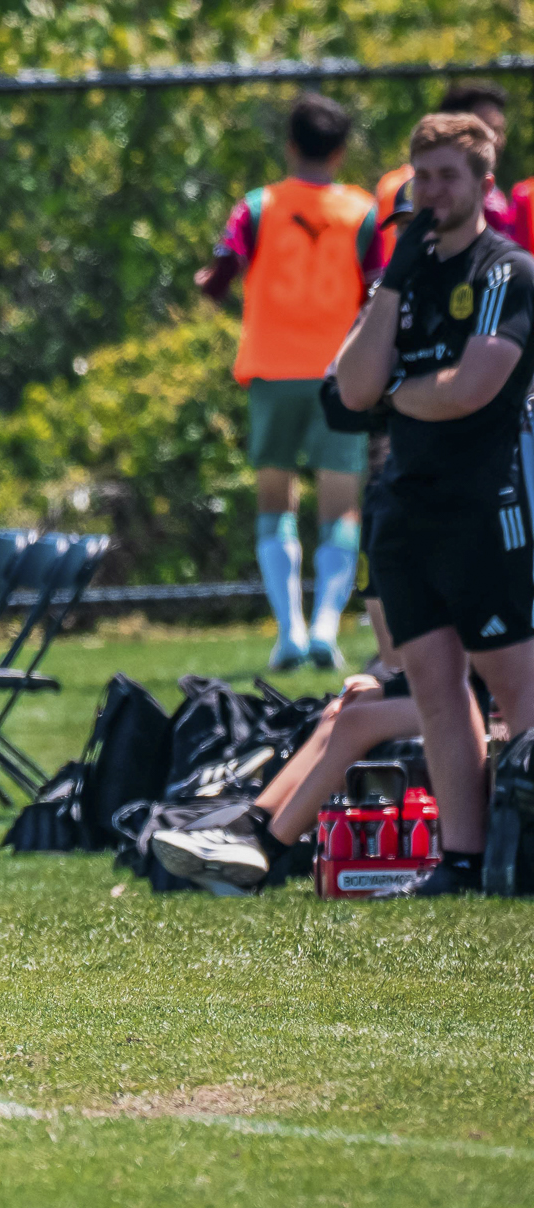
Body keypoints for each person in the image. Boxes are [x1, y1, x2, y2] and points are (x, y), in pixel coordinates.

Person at [335, 112, 534, 896]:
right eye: (422, 176)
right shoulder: (405, 275)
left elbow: (471, 390)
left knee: (519, 688)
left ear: (485, 185)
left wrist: (395, 391)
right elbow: (350, 391)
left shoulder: (505, 273)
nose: (432, 191)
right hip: (405, 510)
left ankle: (524, 851)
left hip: (485, 507)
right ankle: (463, 857)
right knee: (435, 687)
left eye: (449, 175)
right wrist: (392, 280)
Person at [197, 93, 380, 672]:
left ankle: (290, 630)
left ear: (290, 145)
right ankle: (327, 625)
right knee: (341, 504)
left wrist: (212, 282)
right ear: (343, 149)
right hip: (339, 373)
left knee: (275, 499)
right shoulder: (363, 210)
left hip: (273, 370)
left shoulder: (257, 206)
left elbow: (218, 276)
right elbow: (380, 286)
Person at [150, 672, 424, 894]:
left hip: (458, 703)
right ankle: (249, 825)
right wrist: (382, 686)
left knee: (355, 721)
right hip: (443, 690)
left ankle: (264, 848)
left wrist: (385, 688)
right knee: (336, 714)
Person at [374, 81, 520, 262]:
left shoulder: (491, 191)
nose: (495, 139)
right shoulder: (408, 189)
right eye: (485, 129)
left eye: (499, 130)